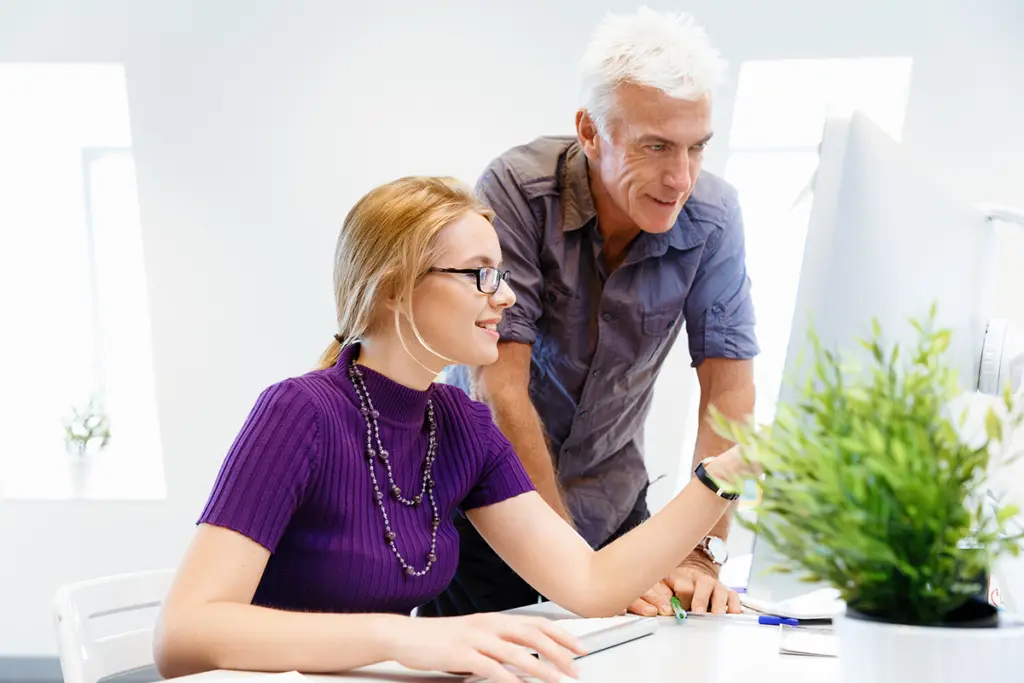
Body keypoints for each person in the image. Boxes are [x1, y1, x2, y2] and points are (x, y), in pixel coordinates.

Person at [153, 176, 756, 683]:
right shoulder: (298, 413)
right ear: (394, 287)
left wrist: (722, 479)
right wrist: (403, 639)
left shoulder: (461, 426)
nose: (507, 297)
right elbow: (184, 634)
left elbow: (590, 584)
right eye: (480, 274)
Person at [418, 8, 758, 621]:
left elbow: (727, 392)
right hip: (492, 515)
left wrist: (701, 553)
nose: (680, 178)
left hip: (615, 510)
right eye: (655, 147)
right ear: (590, 131)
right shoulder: (517, 191)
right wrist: (578, 572)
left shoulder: (713, 216)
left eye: (695, 148)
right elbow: (500, 390)